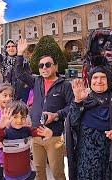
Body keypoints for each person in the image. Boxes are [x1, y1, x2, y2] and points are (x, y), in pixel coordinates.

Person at [66, 66, 112, 180]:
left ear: (109, 81)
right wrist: (77, 101)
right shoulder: (82, 100)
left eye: (103, 78)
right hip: (87, 165)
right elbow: (72, 125)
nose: (99, 81)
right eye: (95, 78)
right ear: (90, 81)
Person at [15, 39, 74, 180]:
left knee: (57, 172)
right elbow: (19, 73)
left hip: (55, 135)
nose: (44, 68)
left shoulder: (64, 85)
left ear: (55, 66)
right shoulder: (36, 81)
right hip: (36, 135)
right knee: (39, 171)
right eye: (41, 65)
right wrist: (19, 53)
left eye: (48, 65)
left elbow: (72, 107)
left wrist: (57, 115)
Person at [0, 100, 53, 180]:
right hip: (10, 176)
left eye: (23, 117)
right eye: (15, 117)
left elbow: (39, 132)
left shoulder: (27, 130)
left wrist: (48, 133)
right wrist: (0, 126)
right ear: (8, 116)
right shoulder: (5, 132)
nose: (19, 121)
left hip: (26, 173)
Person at [0, 26, 32, 102]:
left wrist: (25, 88)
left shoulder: (24, 60)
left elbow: (28, 75)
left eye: (13, 46)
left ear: (17, 47)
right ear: (5, 48)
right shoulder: (2, 59)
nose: (11, 48)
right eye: (8, 47)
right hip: (6, 93)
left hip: (20, 93)